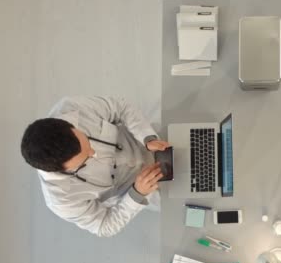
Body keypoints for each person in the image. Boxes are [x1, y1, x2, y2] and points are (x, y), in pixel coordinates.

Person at [20, 96, 170, 237]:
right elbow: (105, 226)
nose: (93, 152)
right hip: (155, 190)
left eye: (86, 140)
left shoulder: (70, 108)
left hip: (160, 139)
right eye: (85, 159)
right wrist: (137, 193)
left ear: (69, 125)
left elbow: (122, 107)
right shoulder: (61, 200)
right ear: (62, 170)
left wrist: (147, 137)